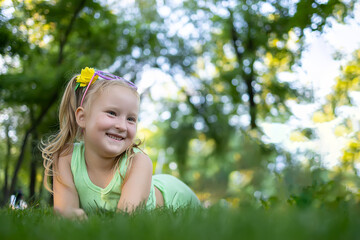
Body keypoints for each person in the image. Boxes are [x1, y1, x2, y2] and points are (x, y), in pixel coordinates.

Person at [41, 67, 200, 219]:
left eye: (131, 119)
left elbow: (126, 218)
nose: (122, 126)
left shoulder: (138, 162)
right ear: (82, 117)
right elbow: (66, 213)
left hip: (174, 194)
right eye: (112, 113)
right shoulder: (66, 158)